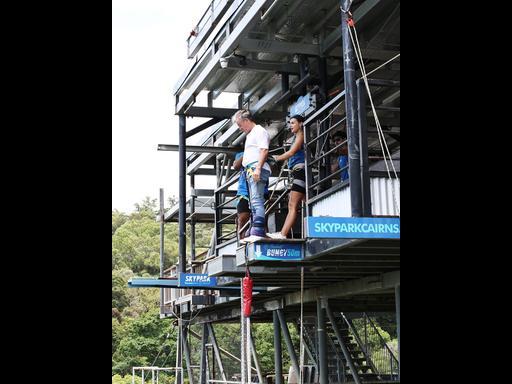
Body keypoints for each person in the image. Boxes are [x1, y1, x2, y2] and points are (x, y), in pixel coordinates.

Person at [232, 109, 271, 238]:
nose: (240, 128)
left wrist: (258, 168)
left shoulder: (259, 130)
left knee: (256, 200)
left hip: (256, 168)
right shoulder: (251, 134)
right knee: (254, 201)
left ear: (246, 120)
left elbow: (264, 150)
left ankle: (258, 229)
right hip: (251, 169)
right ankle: (256, 227)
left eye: (240, 124)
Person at [266, 114, 306, 240]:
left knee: (292, 205)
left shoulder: (301, 135)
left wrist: (275, 158)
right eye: (290, 123)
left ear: (301, 123)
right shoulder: (295, 137)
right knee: (305, 203)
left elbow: (291, 152)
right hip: (296, 173)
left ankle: (283, 234)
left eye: (293, 122)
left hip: (300, 171)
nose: (290, 125)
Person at [233, 151, 270, 240]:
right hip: (244, 191)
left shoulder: (264, 151)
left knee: (262, 218)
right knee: (243, 218)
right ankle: (241, 242)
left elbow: (274, 167)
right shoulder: (242, 153)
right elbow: (236, 166)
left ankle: (263, 238)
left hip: (261, 191)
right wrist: (248, 153)